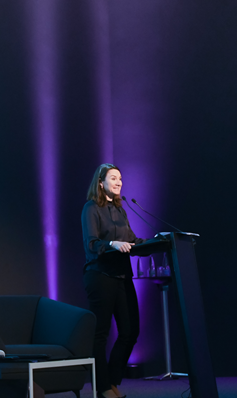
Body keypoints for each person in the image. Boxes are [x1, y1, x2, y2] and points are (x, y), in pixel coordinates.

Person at [81, 164, 143, 398]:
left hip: (123, 276)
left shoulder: (120, 210)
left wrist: (159, 241)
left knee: (130, 331)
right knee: (100, 334)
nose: (119, 183)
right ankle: (103, 387)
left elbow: (132, 240)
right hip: (100, 275)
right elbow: (91, 244)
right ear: (101, 182)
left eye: (120, 179)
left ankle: (112, 380)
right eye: (114, 178)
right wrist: (111, 244)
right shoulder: (91, 208)